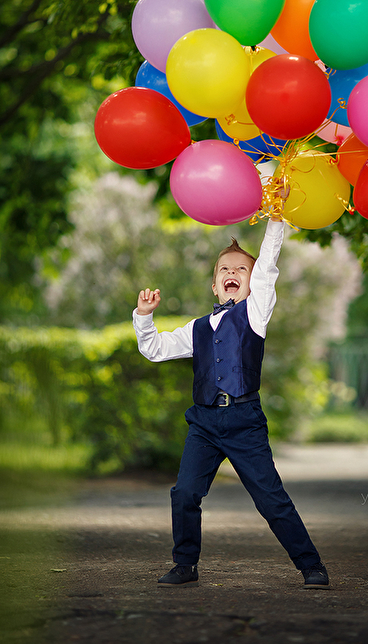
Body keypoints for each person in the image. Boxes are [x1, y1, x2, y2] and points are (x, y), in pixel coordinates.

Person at [132, 205, 329, 590]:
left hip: (243, 420)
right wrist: (144, 317)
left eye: (241, 270)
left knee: (270, 499)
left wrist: (277, 216)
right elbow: (154, 349)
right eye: (225, 270)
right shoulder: (197, 328)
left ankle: (311, 565)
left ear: (253, 283)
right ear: (214, 284)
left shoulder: (256, 312)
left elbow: (269, 262)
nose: (232, 274)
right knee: (185, 492)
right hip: (204, 422)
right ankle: (185, 564)